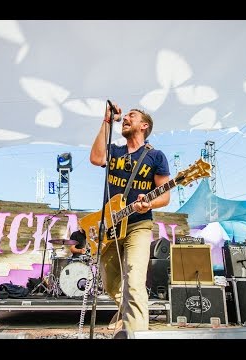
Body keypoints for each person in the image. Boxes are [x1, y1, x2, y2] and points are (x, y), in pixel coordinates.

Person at [87, 102, 170, 335]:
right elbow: (95, 158)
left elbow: (165, 196)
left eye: (131, 116)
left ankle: (136, 333)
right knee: (111, 283)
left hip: (139, 225)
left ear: (144, 125)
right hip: (111, 226)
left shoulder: (155, 156)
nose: (126, 118)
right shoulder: (114, 151)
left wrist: (149, 204)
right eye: (125, 117)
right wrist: (106, 120)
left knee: (134, 283)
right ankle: (127, 317)